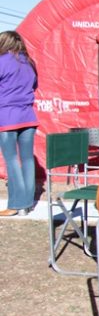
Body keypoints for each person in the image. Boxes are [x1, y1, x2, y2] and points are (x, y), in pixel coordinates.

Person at [0, 31, 38, 217]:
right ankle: (27, 203)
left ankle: (15, 205)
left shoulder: (1, 61)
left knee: (12, 161)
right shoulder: (29, 63)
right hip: (29, 116)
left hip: (7, 116)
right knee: (28, 159)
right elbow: (34, 85)